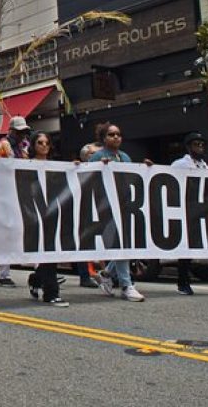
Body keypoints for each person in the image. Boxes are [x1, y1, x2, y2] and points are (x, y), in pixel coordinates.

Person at [89, 122, 149, 302]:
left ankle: (107, 273)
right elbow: (89, 178)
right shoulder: (98, 156)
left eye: (118, 134)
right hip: (107, 208)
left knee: (125, 246)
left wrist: (146, 169)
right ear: (103, 138)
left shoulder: (125, 157)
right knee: (120, 244)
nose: (116, 137)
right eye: (111, 134)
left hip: (125, 206)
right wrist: (100, 166)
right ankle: (126, 285)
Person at [171, 132, 208, 298]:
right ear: (189, 147)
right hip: (189, 212)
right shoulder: (180, 165)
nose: (200, 147)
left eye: (202, 144)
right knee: (187, 251)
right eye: (196, 144)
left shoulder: (205, 167)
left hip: (207, 212)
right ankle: (183, 283)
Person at [26, 132, 69, 307]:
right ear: (33, 145)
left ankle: (37, 281)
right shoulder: (25, 165)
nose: (44, 146)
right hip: (34, 215)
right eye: (39, 142)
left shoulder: (56, 166)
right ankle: (51, 293)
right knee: (45, 252)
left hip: (52, 214)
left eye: (47, 143)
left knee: (50, 252)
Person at [0, 116, 32, 287]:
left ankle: (41, 268)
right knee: (7, 233)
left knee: (28, 230)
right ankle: (4, 273)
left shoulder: (25, 147)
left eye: (25, 132)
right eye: (20, 132)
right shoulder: (2, 146)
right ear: (12, 131)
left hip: (22, 192)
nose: (23, 135)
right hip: (6, 193)